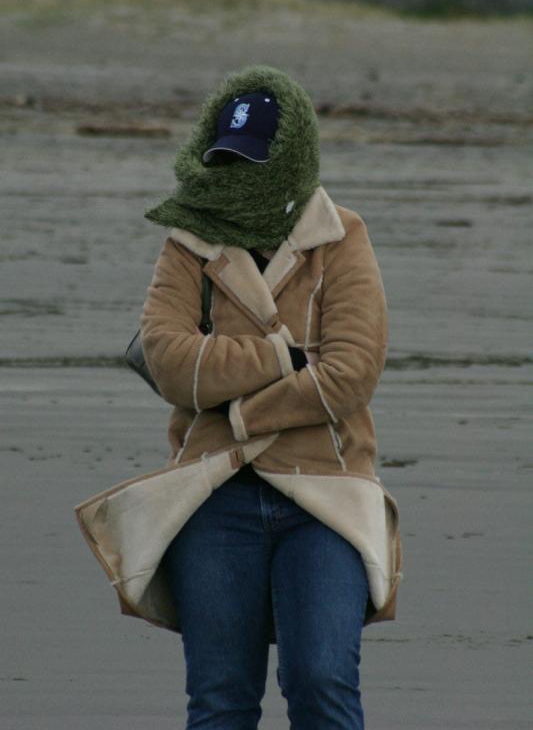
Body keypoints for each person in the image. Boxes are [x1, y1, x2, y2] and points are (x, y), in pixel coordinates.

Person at [74, 64, 403, 730]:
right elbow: (171, 366)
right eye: (225, 159)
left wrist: (240, 413)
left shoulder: (340, 238)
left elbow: (349, 373)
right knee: (220, 702)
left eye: (252, 161)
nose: (236, 174)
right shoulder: (187, 242)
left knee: (320, 684)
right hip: (213, 493)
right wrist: (281, 357)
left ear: (291, 156)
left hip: (325, 494)